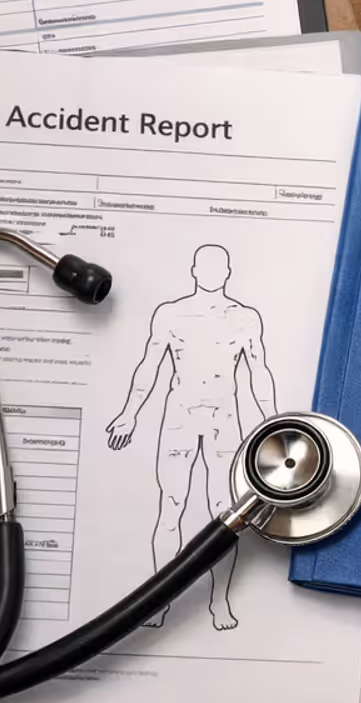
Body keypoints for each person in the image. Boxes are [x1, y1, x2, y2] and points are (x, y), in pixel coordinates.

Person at [105, 244, 275, 629]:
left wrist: (271, 424)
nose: (212, 273)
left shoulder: (245, 318)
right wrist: (129, 415)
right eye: (206, 267)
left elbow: (259, 371)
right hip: (179, 415)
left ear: (227, 273)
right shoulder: (170, 314)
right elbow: (149, 366)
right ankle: (159, 601)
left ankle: (218, 602)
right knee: (171, 505)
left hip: (224, 418)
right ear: (195, 271)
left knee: (227, 511)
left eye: (220, 267)